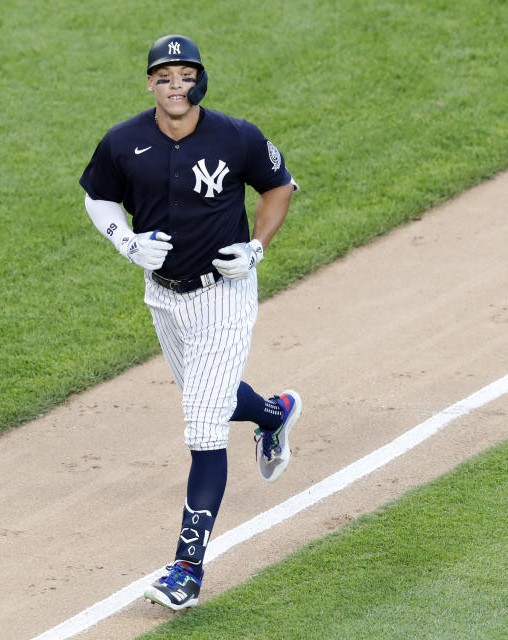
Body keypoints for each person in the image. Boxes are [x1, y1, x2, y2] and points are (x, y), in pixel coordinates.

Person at [79, 34, 302, 611]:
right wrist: (126, 243)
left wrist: (256, 248)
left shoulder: (236, 135)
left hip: (224, 294)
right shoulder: (123, 141)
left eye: (185, 75)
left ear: (200, 79)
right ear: (149, 82)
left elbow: (279, 186)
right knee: (214, 398)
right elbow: (97, 198)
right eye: (164, 75)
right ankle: (274, 413)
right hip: (165, 298)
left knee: (203, 429)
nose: (175, 86)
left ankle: (187, 571)